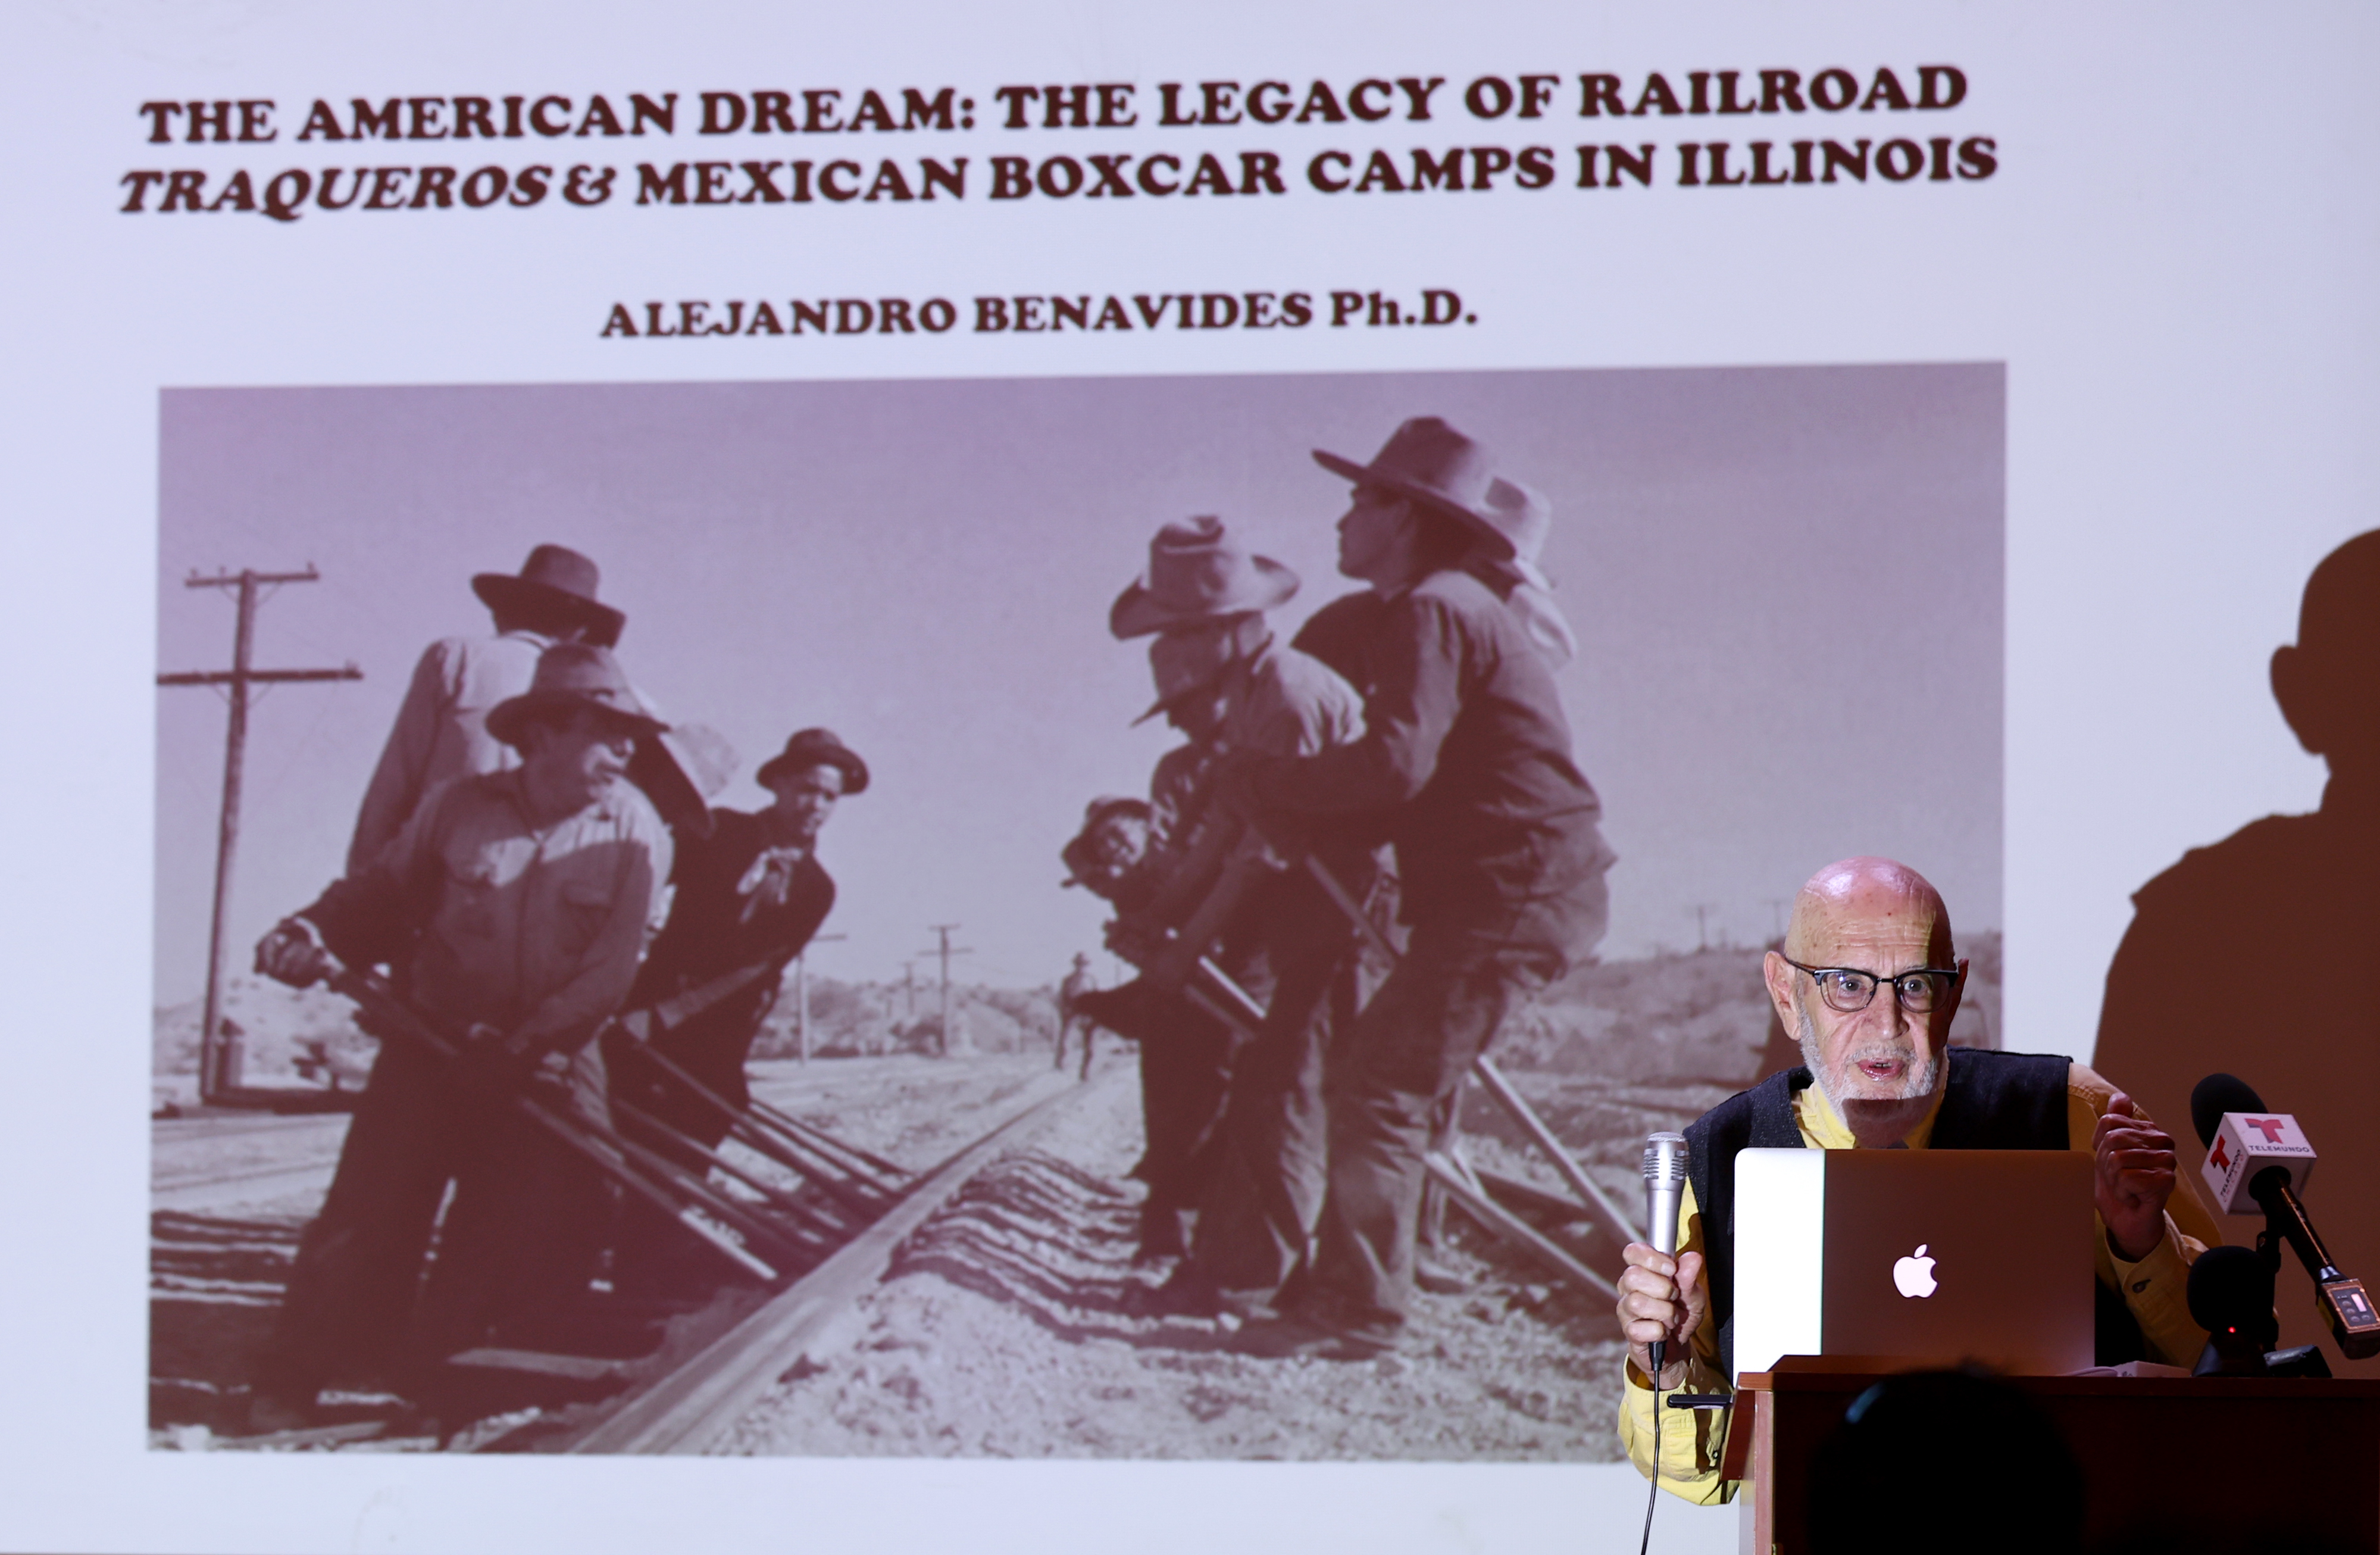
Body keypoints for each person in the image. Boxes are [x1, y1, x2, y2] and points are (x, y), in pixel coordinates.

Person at [1613, 857, 2221, 1503]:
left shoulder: (2074, 1111)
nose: (1886, 1022)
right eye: (1848, 983)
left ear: (1955, 992)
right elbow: (1699, 1479)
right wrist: (1670, 1361)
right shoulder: (1716, 1158)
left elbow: (2229, 1364)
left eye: (1915, 985)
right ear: (1787, 995)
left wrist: (2143, 1246)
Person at [1225, 417, 1616, 1357]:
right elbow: (1418, 779)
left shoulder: (1433, 608)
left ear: (1401, 516)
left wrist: (1266, 783)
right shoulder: (1450, 605)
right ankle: (1345, 1294)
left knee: (1379, 1086)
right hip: (1511, 884)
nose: (1342, 522)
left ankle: (1356, 1312)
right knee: (1378, 1075)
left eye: (1359, 501)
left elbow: (1395, 767)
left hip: (1513, 886)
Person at [246, 643, 674, 1428]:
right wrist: (309, 929)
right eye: (607, 731)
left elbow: (607, 978)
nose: (626, 750)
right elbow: (379, 895)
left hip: (547, 1048)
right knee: (367, 1208)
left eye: (632, 737)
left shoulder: (637, 831)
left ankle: (456, 1382)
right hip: (430, 1034)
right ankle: (297, 1376)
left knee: (545, 1211)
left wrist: (522, 1048)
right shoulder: (456, 805)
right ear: (543, 732)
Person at [2096, 530, 2380, 1362]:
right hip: (2263, 1412)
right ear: (2297, 696)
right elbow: (2116, 1207)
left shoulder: (2187, 922)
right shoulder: (2191, 930)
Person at [1094, 516, 1366, 1264]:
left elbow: (1262, 852)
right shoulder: (1247, 696)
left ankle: (1263, 1272)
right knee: (1270, 1087)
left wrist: (1181, 946)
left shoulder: (1284, 694)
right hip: (1303, 912)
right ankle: (1245, 1261)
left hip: (1346, 917)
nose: (1167, 652)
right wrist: (1159, 917)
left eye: (1183, 632)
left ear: (1232, 628)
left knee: (1286, 1092)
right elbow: (1224, 831)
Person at [612, 726, 867, 1159]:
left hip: (718, 1032)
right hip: (645, 1005)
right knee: (614, 1129)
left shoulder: (816, 888)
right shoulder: (719, 830)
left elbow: (757, 970)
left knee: (692, 1141)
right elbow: (644, 882)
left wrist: (662, 1017)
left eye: (830, 798)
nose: (818, 807)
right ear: (779, 784)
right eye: (808, 790)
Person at [347, 544, 627, 875]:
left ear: (503, 612)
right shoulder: (608, 700)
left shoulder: (457, 658)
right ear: (580, 631)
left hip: (440, 876)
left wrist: (362, 885)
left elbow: (394, 787)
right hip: (541, 889)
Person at [1054, 954, 1099, 1079]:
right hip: (1072, 1011)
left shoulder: (1092, 980)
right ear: (1075, 965)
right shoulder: (1068, 980)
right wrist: (1066, 1011)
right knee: (1065, 1039)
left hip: (1088, 1012)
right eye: (1079, 964)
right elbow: (1063, 998)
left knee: (1090, 1045)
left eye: (1084, 964)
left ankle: (1086, 1071)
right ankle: (1060, 1064)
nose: (1081, 967)